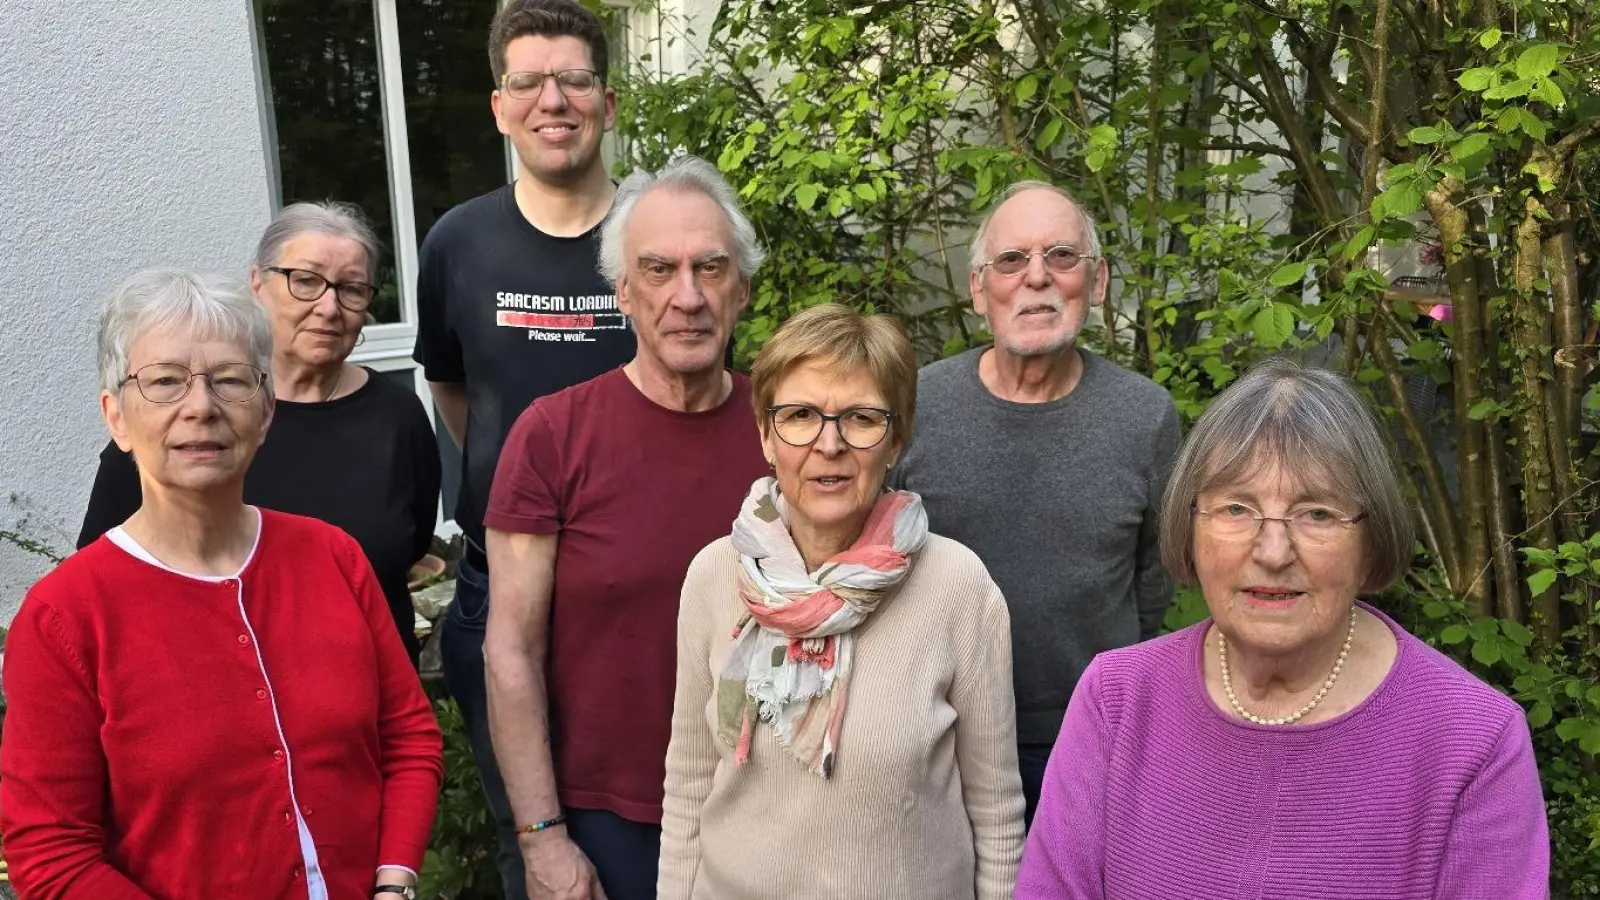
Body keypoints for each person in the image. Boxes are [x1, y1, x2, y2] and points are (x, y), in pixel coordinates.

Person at [1015, 358, 1550, 899]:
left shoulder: (1474, 741)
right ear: (1190, 526)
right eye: (1236, 508)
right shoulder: (1119, 699)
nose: (1272, 552)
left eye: (1316, 513)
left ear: (1371, 542)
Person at [1, 269, 443, 900]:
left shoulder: (332, 558)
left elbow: (407, 737)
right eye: (164, 381)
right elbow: (52, 855)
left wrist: (394, 882)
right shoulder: (65, 618)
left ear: (265, 413)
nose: (201, 406)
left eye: (230, 380)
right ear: (116, 418)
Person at [658, 303, 1027, 899]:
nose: (829, 444)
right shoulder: (713, 578)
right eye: (800, 415)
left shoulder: (959, 587)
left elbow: (997, 813)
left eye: (860, 418)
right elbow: (690, 781)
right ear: (765, 435)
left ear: (896, 439)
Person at [481, 155, 768, 900]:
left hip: (769, 807)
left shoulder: (788, 427)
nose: (688, 297)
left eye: (711, 269)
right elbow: (511, 650)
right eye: (659, 270)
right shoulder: (553, 435)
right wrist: (542, 839)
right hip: (610, 822)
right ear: (623, 293)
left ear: (741, 289)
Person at [410, 1, 637, 893]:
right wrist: (519, 500)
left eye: (575, 79)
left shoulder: (662, 237)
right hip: (496, 587)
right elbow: (454, 388)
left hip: (638, 592)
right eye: (529, 82)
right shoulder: (458, 243)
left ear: (608, 103)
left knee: (658, 817)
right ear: (500, 107)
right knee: (529, 837)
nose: (555, 99)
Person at [889, 180, 1181, 825]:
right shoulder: (917, 405)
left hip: (1088, 736)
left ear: (1098, 280)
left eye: (1062, 257)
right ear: (978, 289)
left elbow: (1156, 578)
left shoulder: (1144, 417)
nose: (1038, 279)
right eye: (1012, 260)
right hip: (937, 732)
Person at [78, 202, 440, 664]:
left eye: (351, 289)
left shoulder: (397, 415)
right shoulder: (190, 426)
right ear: (257, 283)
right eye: (305, 280)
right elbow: (103, 572)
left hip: (374, 698)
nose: (328, 307)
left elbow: (410, 543)